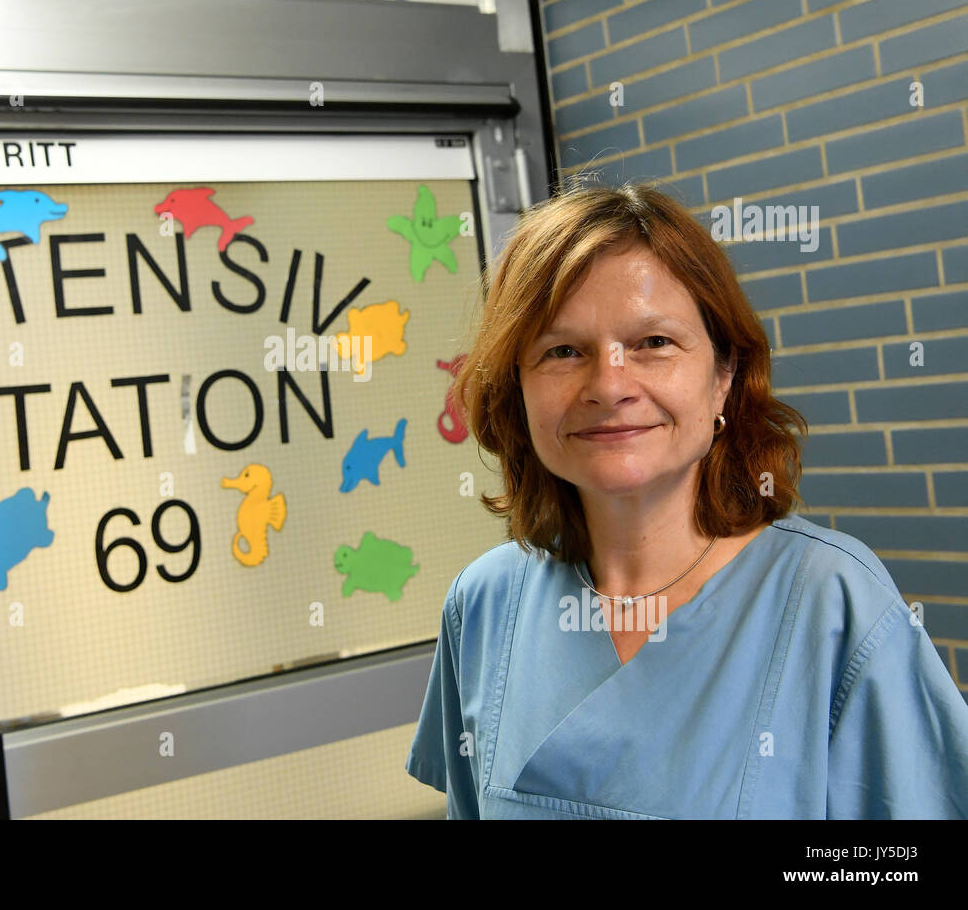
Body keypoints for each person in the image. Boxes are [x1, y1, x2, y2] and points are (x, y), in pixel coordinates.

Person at [405, 181, 968, 819]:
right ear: (518, 389)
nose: (609, 385)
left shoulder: (832, 602)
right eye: (563, 351)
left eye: (654, 343)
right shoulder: (483, 605)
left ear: (724, 376)